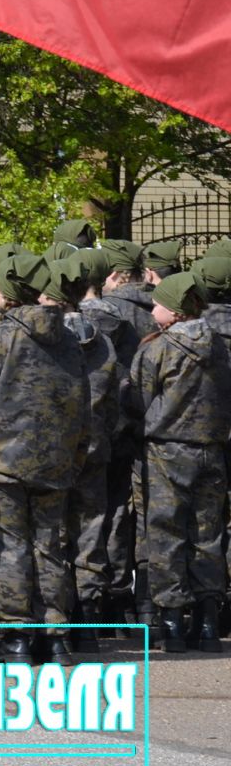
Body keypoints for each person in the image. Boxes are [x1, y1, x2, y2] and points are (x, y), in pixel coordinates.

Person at [0, 251, 91, 665]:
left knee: (11, 547)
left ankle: (16, 637)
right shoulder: (68, 339)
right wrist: (75, 456)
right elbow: (84, 405)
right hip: (56, 463)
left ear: (7, 294)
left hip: (3, 464)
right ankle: (55, 637)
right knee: (50, 546)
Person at [125, 272, 231, 653]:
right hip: (213, 452)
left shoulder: (158, 350)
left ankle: (170, 620)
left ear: (176, 311)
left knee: (167, 535)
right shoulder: (219, 347)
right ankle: (206, 623)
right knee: (208, 536)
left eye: (159, 303)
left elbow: (134, 401)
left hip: (167, 453)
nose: (153, 308)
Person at [45, 257, 122, 651]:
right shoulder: (103, 340)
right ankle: (88, 623)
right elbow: (114, 400)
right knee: (90, 533)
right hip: (95, 447)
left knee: (54, 535)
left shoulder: (50, 341)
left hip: (56, 451)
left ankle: (59, 619)